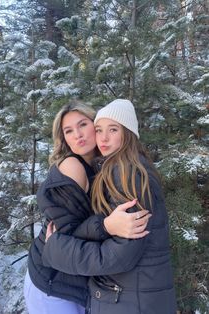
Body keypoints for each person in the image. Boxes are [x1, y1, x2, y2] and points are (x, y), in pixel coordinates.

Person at [42, 99, 177, 314]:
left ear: (128, 133)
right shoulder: (115, 168)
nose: (103, 138)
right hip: (130, 296)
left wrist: (56, 249)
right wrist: (105, 226)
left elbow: (119, 255)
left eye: (112, 130)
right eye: (99, 129)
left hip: (131, 300)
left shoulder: (126, 173)